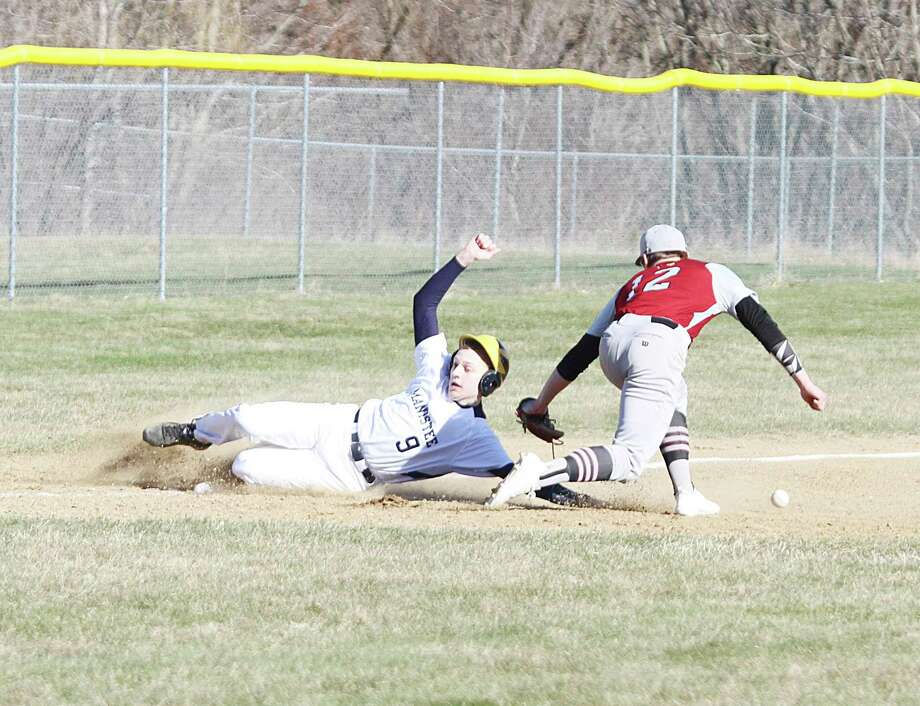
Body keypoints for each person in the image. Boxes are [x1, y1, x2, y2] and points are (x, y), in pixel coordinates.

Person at [142, 233, 587, 506]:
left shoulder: (474, 438)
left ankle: (217, 479)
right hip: (336, 421)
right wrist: (463, 258)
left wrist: (579, 498)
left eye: (469, 369)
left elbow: (524, 480)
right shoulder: (434, 369)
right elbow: (424, 303)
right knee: (247, 416)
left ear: (488, 384)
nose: (456, 368)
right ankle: (195, 433)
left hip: (347, 476)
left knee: (246, 464)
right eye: (458, 360)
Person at [486, 224, 828, 515]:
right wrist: (804, 381)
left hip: (614, 345)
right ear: (683, 253)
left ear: (648, 260)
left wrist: (539, 406)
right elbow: (761, 323)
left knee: (675, 391)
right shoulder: (711, 271)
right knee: (630, 459)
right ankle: (539, 473)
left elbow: (582, 352)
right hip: (657, 345)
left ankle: (686, 494)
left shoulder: (633, 284)